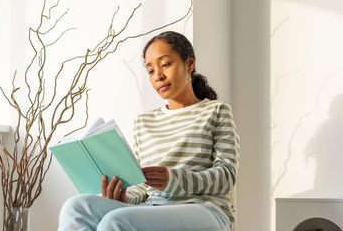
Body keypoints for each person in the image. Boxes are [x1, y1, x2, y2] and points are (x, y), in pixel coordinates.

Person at [58, 31, 240, 231]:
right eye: (150, 70)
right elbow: (143, 187)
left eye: (165, 64)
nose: (158, 76)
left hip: (205, 209)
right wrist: (126, 196)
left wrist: (173, 180)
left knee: (116, 221)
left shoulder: (216, 111)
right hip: (153, 206)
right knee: (75, 207)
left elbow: (226, 175)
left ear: (189, 64)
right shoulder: (144, 122)